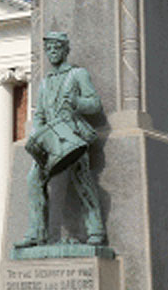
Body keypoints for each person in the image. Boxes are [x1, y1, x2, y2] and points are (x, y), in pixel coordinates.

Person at [23, 32, 106, 247]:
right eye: (49, 48)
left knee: (82, 180)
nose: (52, 52)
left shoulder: (78, 74)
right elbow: (40, 114)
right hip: (50, 141)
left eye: (56, 47)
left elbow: (95, 104)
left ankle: (96, 229)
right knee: (33, 179)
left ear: (65, 50)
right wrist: (36, 136)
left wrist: (77, 102)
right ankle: (36, 232)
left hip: (72, 136)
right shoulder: (44, 83)